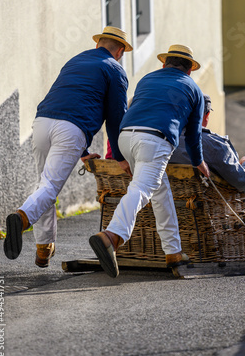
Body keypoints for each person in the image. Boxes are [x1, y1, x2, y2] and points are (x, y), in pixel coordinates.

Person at [4, 26, 133, 267]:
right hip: (72, 128)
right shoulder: (115, 70)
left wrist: (83, 154)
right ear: (121, 51)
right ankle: (21, 218)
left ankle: (44, 248)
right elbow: (116, 118)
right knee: (50, 186)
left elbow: (68, 97)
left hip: (42, 122)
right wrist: (120, 157)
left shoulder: (75, 60)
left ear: (98, 45)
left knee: (44, 184)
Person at [89, 44, 210, 278]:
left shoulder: (147, 79)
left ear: (164, 64)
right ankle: (111, 235)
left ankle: (173, 252)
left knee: (159, 190)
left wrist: (118, 154)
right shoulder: (193, 89)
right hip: (154, 140)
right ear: (189, 71)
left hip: (126, 137)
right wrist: (199, 162)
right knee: (143, 188)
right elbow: (194, 135)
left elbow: (128, 109)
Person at [171, 94, 245, 218]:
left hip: (170, 213)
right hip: (211, 216)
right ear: (206, 115)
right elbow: (243, 182)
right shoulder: (215, 145)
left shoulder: (163, 141)